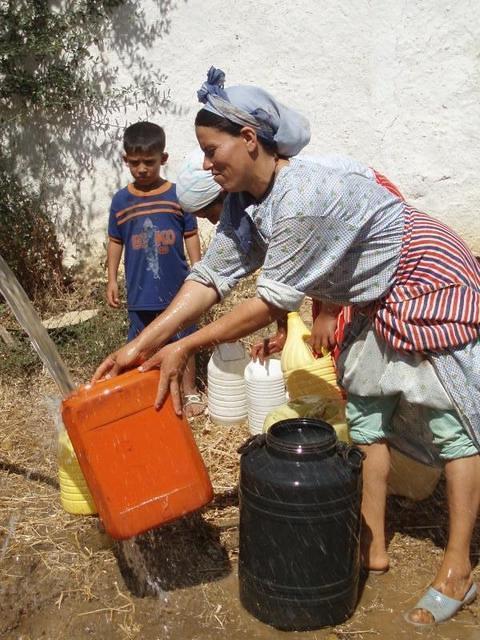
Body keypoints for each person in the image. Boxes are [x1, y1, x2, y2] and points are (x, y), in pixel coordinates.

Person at [95, 69, 480, 626]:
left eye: (211, 149)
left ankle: (458, 569)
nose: (205, 164)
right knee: (368, 419)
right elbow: (210, 275)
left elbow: (272, 302)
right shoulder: (244, 202)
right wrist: (145, 345)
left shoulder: (304, 195)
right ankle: (372, 545)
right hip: (373, 298)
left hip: (424, 278)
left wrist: (187, 347)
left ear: (249, 138)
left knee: (453, 427)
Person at [106, 121, 205, 417]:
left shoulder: (178, 196)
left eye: (149, 162)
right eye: (134, 163)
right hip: (140, 291)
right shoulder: (121, 201)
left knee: (183, 340)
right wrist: (111, 278)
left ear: (163, 159)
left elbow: (190, 233)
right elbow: (114, 241)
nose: (142, 169)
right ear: (125, 160)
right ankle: (137, 392)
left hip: (178, 290)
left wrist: (199, 269)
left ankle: (190, 393)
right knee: (139, 343)